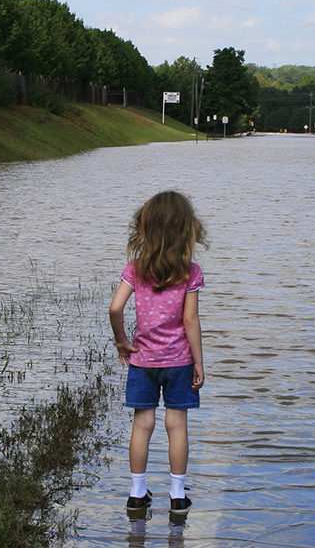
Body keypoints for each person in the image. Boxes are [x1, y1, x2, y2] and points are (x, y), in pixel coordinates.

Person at [109, 190, 207, 516]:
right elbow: (190, 320)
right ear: (185, 229)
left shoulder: (135, 269)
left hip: (142, 360)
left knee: (143, 424)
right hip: (179, 362)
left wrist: (122, 340)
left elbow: (115, 308)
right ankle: (177, 496)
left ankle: (137, 493)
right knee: (176, 425)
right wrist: (198, 362)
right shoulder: (189, 272)